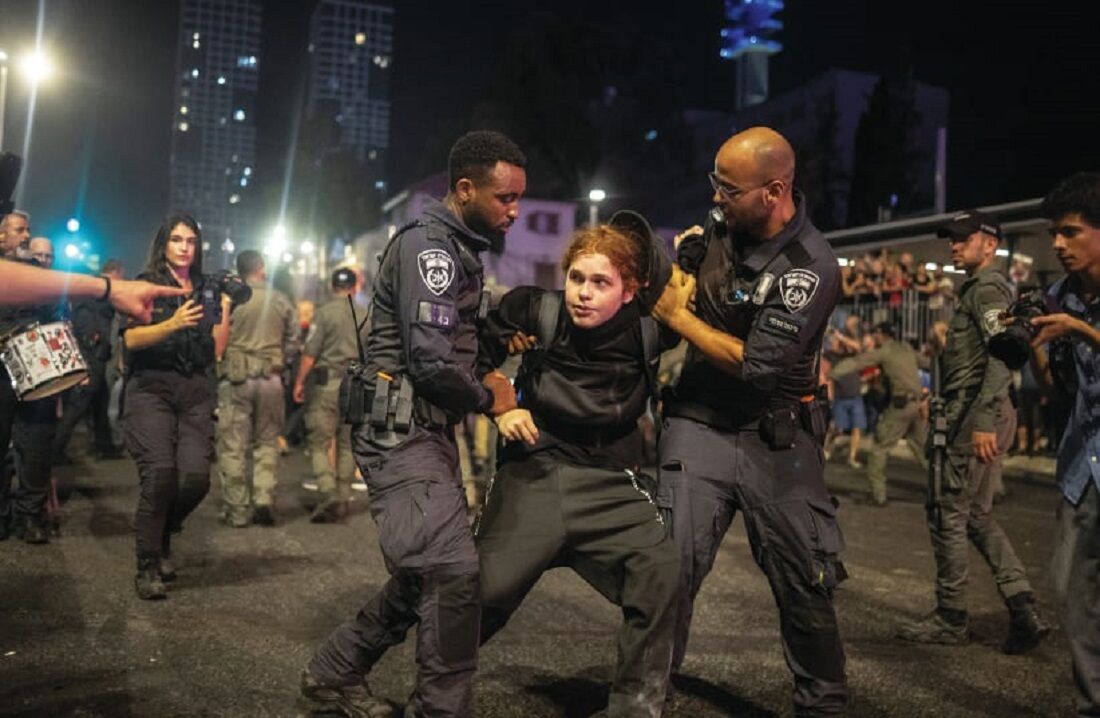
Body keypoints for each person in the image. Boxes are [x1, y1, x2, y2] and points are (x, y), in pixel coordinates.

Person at [301, 130, 523, 717]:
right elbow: (430, 361)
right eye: (505, 198)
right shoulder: (433, 250)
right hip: (400, 432)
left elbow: (454, 344)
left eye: (519, 198)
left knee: (421, 573)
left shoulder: (457, 249)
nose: (515, 211)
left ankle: (334, 671)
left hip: (422, 430)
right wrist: (491, 398)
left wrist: (499, 340)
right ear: (466, 189)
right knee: (451, 574)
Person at [652, 126, 847, 714]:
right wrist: (681, 269)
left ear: (774, 192)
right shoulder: (720, 224)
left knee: (805, 579)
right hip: (699, 422)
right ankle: (642, 695)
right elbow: (681, 288)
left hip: (775, 436)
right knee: (666, 570)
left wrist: (678, 317)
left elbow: (759, 366)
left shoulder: (809, 266)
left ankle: (822, 704)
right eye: (715, 183)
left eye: (729, 189)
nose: (716, 198)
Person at [475, 220, 681, 716]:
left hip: (611, 477)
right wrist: (502, 405)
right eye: (576, 278)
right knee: (479, 593)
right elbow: (471, 356)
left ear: (630, 291)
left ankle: (635, 708)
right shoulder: (533, 309)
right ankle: (434, 694)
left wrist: (692, 255)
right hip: (536, 466)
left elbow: (701, 299)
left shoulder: (651, 330)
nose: (583, 293)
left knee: (661, 571)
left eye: (600, 282)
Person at [896, 209, 1049, 654]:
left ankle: (951, 616)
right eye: (952, 239)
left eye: (963, 239)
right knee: (977, 515)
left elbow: (1002, 355)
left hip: (977, 414)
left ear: (990, 243)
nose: (954, 245)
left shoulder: (986, 289)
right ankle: (1022, 606)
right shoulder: (980, 289)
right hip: (973, 408)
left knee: (947, 511)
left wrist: (981, 421)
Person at [1024, 172, 1100, 713]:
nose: (1057, 243)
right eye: (1054, 232)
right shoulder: (1059, 296)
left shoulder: (1072, 312)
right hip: (1083, 463)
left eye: (1070, 231)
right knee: (1071, 590)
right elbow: (1055, 390)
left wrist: (1081, 329)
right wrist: (1034, 346)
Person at [121, 214, 229, 600]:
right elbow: (130, 339)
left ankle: (162, 531)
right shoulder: (145, 283)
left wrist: (225, 309)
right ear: (163, 244)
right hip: (152, 386)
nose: (185, 247)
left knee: (197, 479)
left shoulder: (205, 288)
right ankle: (148, 564)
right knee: (160, 474)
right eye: (177, 240)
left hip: (195, 388)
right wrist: (174, 323)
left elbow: (216, 348)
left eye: (191, 241)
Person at [215, 250, 297, 527]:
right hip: (271, 379)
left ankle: (237, 510)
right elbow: (294, 339)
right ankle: (263, 498)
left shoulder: (232, 299)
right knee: (268, 441)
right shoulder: (280, 299)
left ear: (239, 271)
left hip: (236, 378)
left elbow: (216, 337)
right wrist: (280, 359)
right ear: (261, 267)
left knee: (233, 445)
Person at [292, 266, 367, 523]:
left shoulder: (323, 314)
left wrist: (300, 382)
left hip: (327, 385)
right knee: (348, 444)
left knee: (320, 442)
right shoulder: (365, 315)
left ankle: (327, 491)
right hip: (355, 386)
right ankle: (343, 496)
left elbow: (311, 352)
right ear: (354, 287)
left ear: (332, 287)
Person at [831, 322, 927, 506]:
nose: (874, 337)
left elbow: (857, 362)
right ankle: (945, 490)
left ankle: (878, 495)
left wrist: (833, 373)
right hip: (918, 405)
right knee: (924, 451)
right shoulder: (906, 349)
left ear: (881, 335)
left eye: (875, 334)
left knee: (879, 448)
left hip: (901, 407)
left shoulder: (885, 351)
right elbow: (928, 363)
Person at [53, 259, 127, 462]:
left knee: (99, 404)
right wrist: (95, 343)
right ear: (115, 273)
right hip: (92, 356)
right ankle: (55, 450)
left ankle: (104, 446)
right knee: (78, 405)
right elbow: (89, 324)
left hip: (95, 354)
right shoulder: (98, 294)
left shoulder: (91, 293)